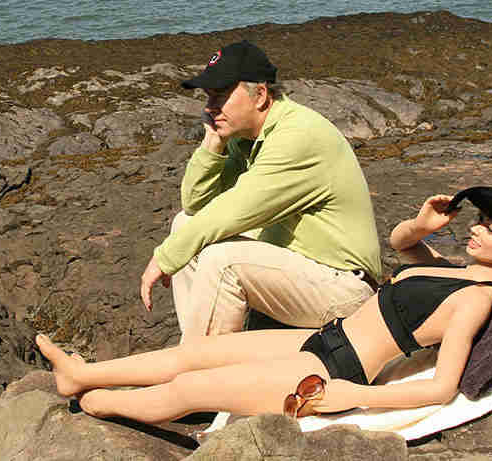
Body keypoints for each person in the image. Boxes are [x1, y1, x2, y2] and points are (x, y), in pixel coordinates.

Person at [37, 181, 492, 424]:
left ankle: (99, 405)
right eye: (480, 220)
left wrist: (353, 397)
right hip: (319, 338)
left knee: (190, 389)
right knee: (193, 354)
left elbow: (441, 387)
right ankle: (82, 374)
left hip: (332, 370)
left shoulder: (474, 302)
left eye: (491, 227)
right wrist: (421, 224)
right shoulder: (456, 268)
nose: (476, 229)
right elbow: (401, 246)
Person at [139, 40, 382, 341]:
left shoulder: (298, 136)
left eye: (220, 95)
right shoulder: (247, 138)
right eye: (208, 96)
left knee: (222, 261)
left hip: (344, 288)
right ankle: (198, 344)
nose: (209, 107)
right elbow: (196, 207)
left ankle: (198, 363)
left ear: (261, 95)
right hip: (304, 270)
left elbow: (233, 211)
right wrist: (212, 144)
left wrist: (163, 259)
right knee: (184, 225)